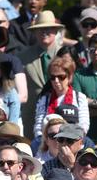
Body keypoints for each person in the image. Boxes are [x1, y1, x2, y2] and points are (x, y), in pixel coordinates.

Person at [18, 10, 63, 139]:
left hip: (60, 113)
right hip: (31, 116)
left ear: (55, 31)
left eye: (49, 29)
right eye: (40, 29)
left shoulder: (65, 54)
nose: (45, 32)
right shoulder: (23, 56)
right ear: (34, 32)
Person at [34, 56, 89, 137]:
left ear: (69, 77)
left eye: (61, 77)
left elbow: (84, 125)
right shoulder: (44, 99)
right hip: (49, 141)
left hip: (73, 139)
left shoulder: (79, 98)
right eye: (53, 77)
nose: (56, 81)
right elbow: (38, 126)